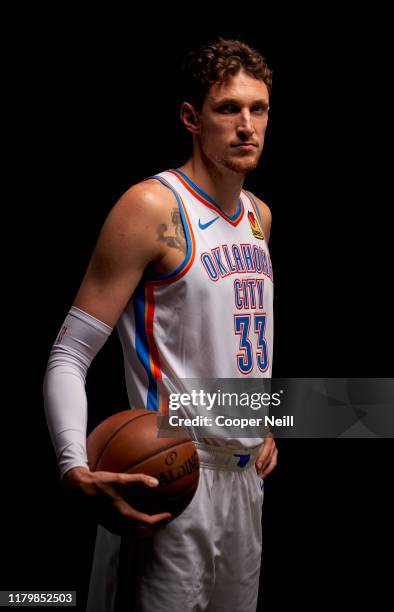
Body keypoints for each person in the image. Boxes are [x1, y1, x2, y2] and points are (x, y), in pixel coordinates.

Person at [43, 37, 278, 612]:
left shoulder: (257, 218)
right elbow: (69, 354)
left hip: (246, 485)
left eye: (258, 108)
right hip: (170, 475)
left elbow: (226, 337)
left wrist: (258, 420)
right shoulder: (151, 208)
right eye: (228, 109)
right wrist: (73, 464)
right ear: (192, 118)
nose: (246, 125)